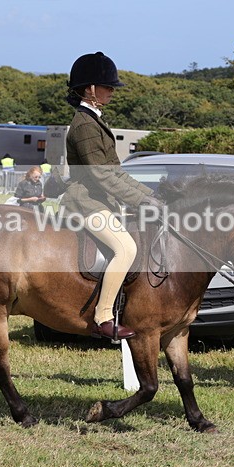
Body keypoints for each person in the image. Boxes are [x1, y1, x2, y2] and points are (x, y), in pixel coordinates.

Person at [60, 51, 157, 341]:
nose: (112, 91)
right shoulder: (85, 125)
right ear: (90, 89)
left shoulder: (95, 120)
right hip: (86, 201)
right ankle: (104, 316)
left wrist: (151, 195)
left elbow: (117, 172)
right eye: (108, 86)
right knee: (126, 248)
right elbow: (101, 175)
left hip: (101, 200)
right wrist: (142, 201)